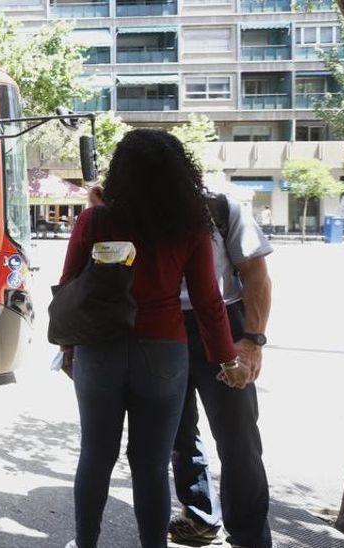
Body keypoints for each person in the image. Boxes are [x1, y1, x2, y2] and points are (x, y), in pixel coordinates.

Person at [58, 130, 244, 548]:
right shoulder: (191, 225)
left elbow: (69, 285)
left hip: (100, 348)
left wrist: (68, 349)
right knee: (151, 465)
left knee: (95, 456)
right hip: (164, 353)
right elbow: (207, 300)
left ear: (121, 171)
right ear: (180, 173)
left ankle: (86, 543)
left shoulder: (95, 220)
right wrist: (226, 358)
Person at [168, 193, 274, 548]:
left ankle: (249, 538)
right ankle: (199, 517)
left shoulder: (221, 209)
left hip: (224, 324)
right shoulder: (138, 204)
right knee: (178, 433)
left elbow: (256, 275)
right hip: (163, 329)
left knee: (238, 439)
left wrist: (252, 340)